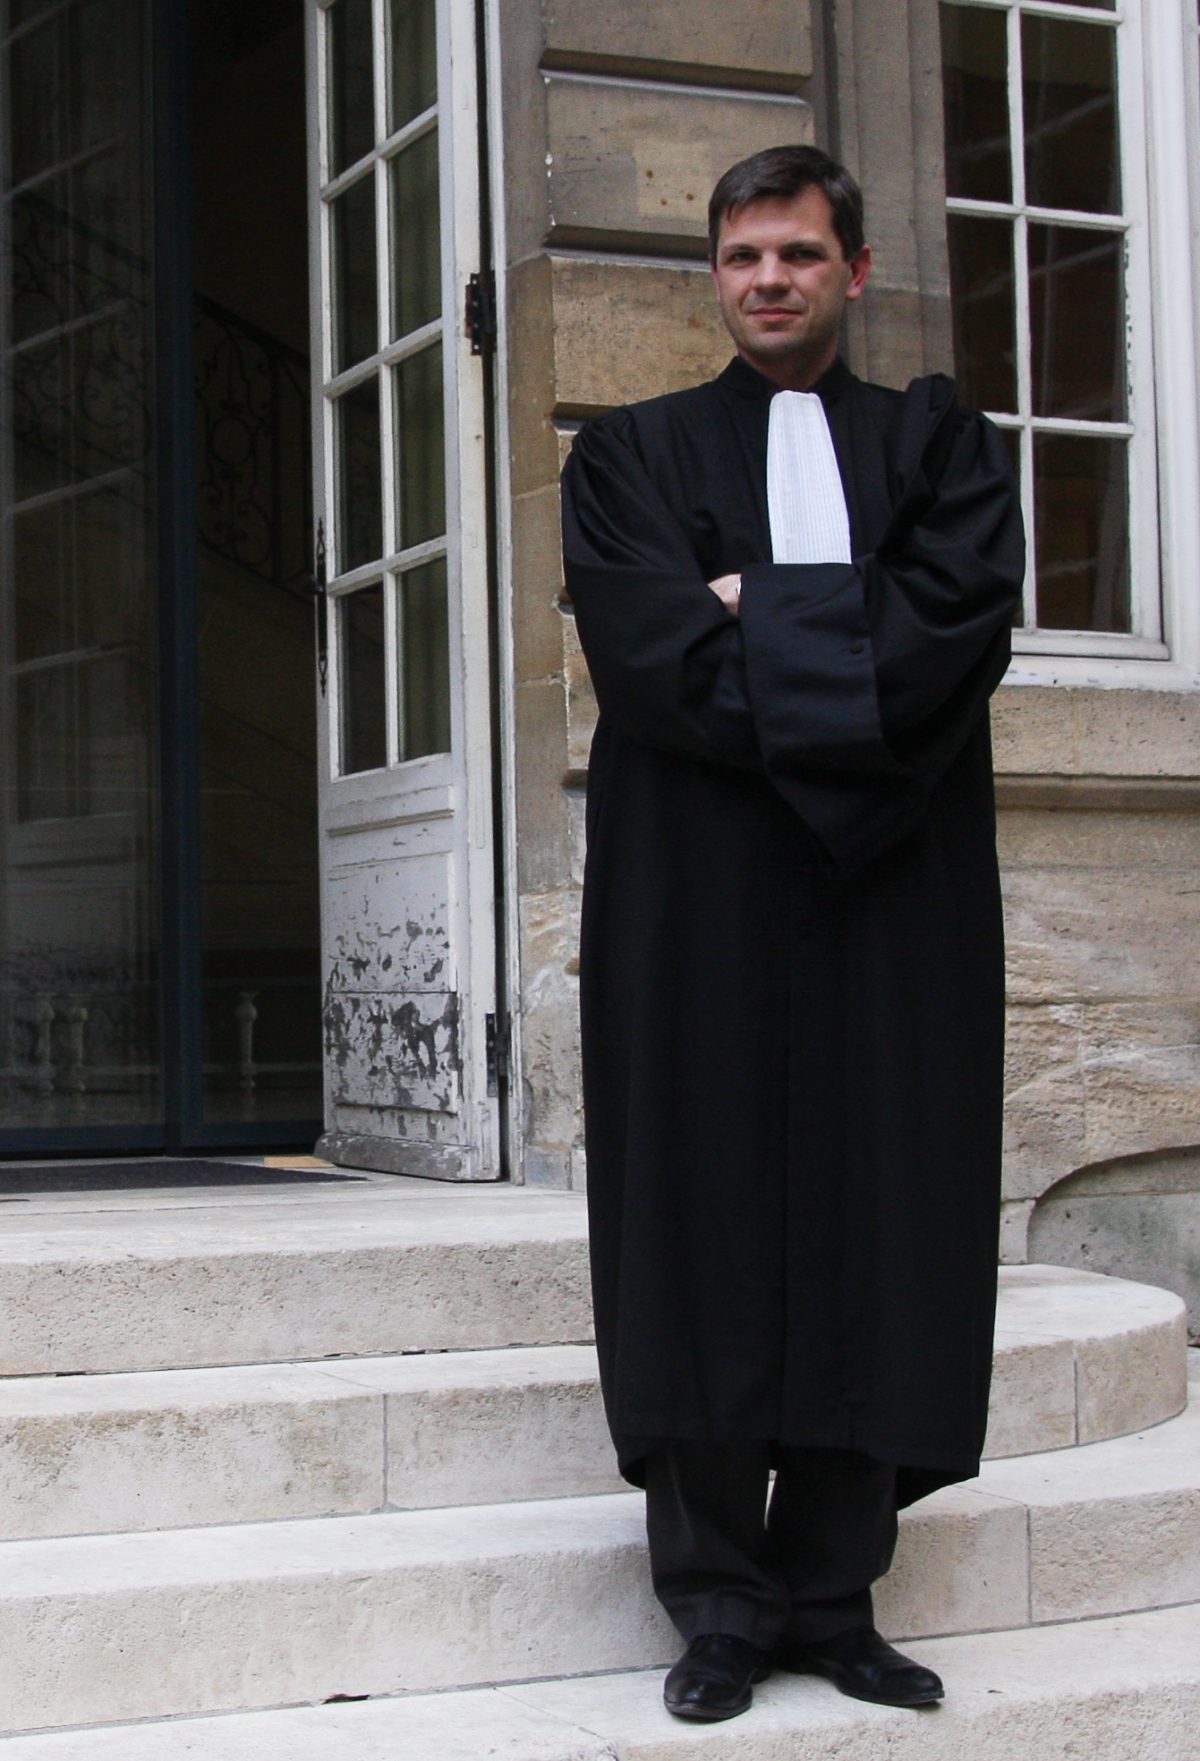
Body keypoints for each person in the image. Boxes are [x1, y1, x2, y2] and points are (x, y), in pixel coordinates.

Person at [559, 144, 1025, 1724]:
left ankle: (836, 1592)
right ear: (715, 275)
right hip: (694, 900)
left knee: (876, 1221)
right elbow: (657, 663)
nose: (771, 279)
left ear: (856, 271)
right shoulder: (623, 456)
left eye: (801, 255)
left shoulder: (941, 444)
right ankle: (720, 1606)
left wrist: (759, 599)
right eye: (745, 256)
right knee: (698, 1221)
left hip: (892, 904)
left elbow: (954, 635)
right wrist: (838, 621)